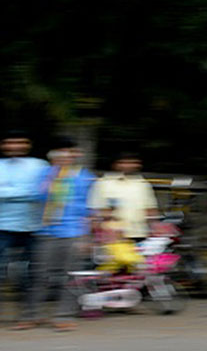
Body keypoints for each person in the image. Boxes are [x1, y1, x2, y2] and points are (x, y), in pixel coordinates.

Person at [30, 139, 95, 330]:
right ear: (53, 155)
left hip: (73, 232)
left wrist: (86, 237)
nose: (65, 156)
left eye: (69, 152)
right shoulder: (44, 174)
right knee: (39, 276)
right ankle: (33, 315)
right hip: (46, 230)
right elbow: (36, 197)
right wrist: (52, 178)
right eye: (61, 152)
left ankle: (63, 316)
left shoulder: (84, 176)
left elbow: (90, 208)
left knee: (70, 277)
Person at [0, 130, 48, 329]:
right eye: (10, 143)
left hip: (34, 227)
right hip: (2, 227)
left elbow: (42, 193)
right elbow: (32, 192)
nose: (15, 146)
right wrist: (27, 192)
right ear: (4, 145)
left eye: (20, 142)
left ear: (27, 144)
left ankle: (28, 316)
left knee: (33, 274)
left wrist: (8, 192)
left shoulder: (40, 165)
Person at [88, 152, 159, 240]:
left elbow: (151, 211)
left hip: (139, 234)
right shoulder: (103, 183)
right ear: (115, 164)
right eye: (124, 162)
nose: (128, 166)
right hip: (111, 237)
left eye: (132, 163)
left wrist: (155, 228)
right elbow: (95, 212)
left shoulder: (143, 185)